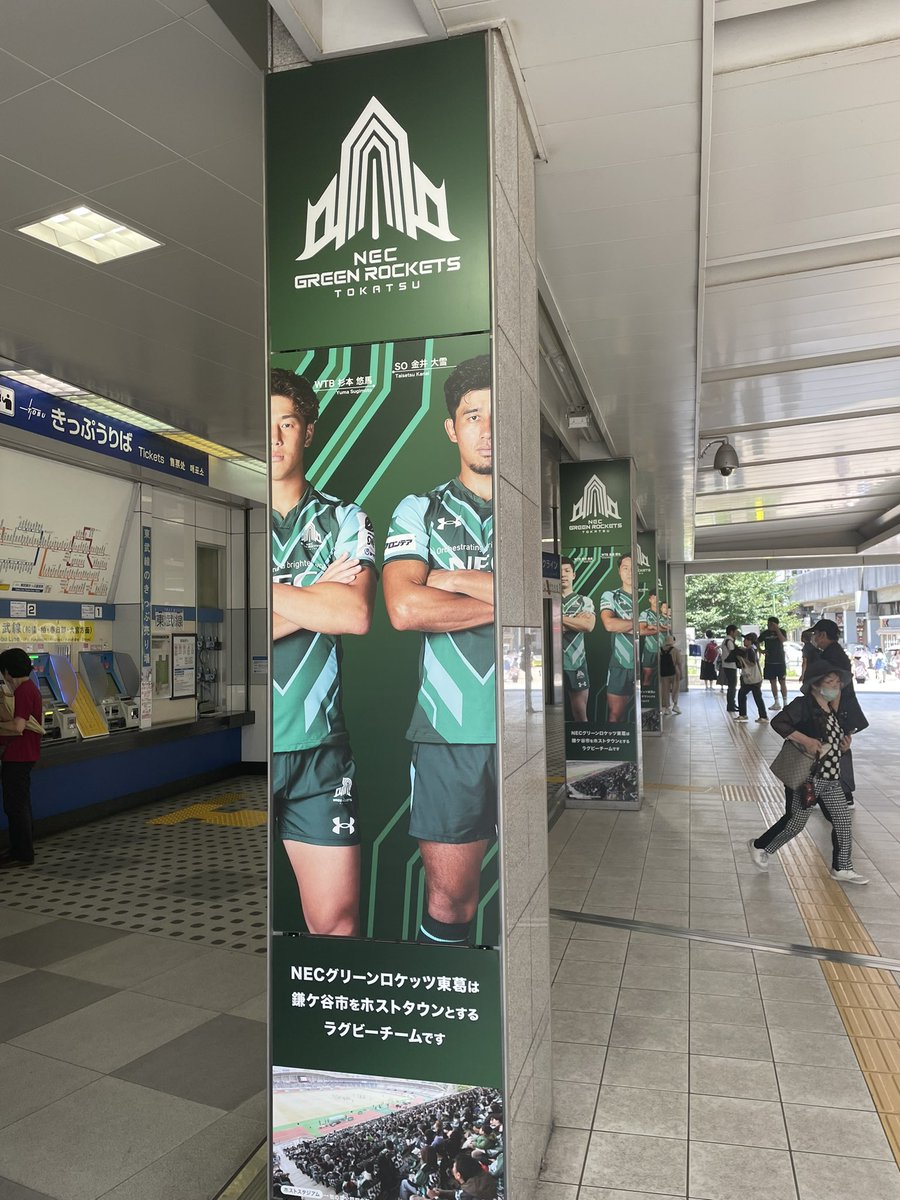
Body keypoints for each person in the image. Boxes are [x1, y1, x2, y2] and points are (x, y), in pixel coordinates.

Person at [383, 355, 495, 949]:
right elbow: (404, 609)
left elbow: (556, 612)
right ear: (452, 428)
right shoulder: (417, 509)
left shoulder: (534, 517)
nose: (486, 429)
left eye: (496, 416)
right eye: (472, 416)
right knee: (451, 899)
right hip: (448, 733)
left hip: (528, 726)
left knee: (530, 886)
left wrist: (448, 579)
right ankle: (447, 1019)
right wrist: (510, 596)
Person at [270, 368, 377, 936]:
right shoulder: (229, 516)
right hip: (244, 748)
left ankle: (330, 1023)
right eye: (264, 428)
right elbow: (225, 633)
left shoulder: (346, 517)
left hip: (320, 751)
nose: (276, 440)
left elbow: (353, 615)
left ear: (307, 430)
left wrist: (258, 596)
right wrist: (315, 592)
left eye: (286, 424)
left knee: (337, 925)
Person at [748, 659, 868, 884]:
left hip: (831, 777)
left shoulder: (833, 708)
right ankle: (760, 846)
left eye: (837, 682)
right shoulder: (803, 705)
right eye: (829, 682)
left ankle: (842, 867)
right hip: (808, 777)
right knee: (795, 823)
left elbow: (833, 739)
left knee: (842, 821)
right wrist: (805, 740)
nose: (835, 686)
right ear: (815, 684)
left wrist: (844, 745)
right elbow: (779, 723)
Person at [0, 647, 43, 867]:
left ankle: (22, 852)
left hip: (19, 756)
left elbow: (18, 727)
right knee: (20, 803)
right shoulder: (30, 688)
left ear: (8, 671)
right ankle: (21, 848)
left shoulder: (24, 691)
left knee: (16, 805)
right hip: (23, 754)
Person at [599, 553, 635, 723]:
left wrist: (625, 625)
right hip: (619, 665)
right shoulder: (610, 595)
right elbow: (609, 625)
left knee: (643, 712)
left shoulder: (649, 598)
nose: (629, 572)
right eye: (624, 568)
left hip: (645, 662)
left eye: (632, 568)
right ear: (619, 572)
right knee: (615, 715)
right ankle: (615, 747)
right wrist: (639, 626)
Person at [560, 556, 595, 723]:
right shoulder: (546, 601)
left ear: (574, 575)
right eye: (559, 572)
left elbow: (588, 626)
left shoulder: (584, 601)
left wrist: (557, 618)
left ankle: (583, 748)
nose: (563, 575)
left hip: (576, 663)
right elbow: (545, 626)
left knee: (580, 715)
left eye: (567, 571)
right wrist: (574, 621)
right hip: (552, 665)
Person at [424, 1153, 497, 1199]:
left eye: (453, 1168)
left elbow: (462, 1195)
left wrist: (435, 1198)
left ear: (458, 1175)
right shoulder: (486, 1176)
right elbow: (459, 1194)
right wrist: (441, 1192)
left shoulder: (469, 1194)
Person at [734, 632, 768, 722]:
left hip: (752, 678)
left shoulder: (750, 650)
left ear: (750, 641)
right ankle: (762, 716)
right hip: (755, 678)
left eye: (745, 639)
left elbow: (752, 663)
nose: (744, 641)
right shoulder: (752, 649)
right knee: (756, 696)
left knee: (743, 694)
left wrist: (742, 659)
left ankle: (744, 714)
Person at [760, 615, 788, 710]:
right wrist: (761, 650)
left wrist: (777, 629)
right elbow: (756, 642)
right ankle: (776, 702)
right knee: (772, 682)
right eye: (768, 624)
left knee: (782, 682)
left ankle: (785, 702)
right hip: (769, 662)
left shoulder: (782, 631)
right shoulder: (765, 633)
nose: (769, 625)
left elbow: (783, 640)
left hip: (780, 661)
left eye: (771, 624)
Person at [639, 590, 661, 690]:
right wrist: (658, 630)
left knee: (664, 677)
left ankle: (663, 699)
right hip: (649, 650)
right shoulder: (645, 614)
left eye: (657, 598)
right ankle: (648, 698)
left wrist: (653, 627)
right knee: (647, 675)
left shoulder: (664, 613)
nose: (655, 600)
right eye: (653, 598)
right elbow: (642, 631)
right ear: (649, 599)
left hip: (664, 650)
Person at [659, 634, 682, 715]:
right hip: (674, 672)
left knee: (664, 690)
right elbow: (679, 663)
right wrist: (681, 673)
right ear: (673, 641)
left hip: (664, 673)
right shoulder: (675, 650)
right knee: (675, 689)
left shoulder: (660, 650)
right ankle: (675, 705)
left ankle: (665, 707)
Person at [721, 624, 740, 713]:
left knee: (732, 686)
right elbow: (733, 652)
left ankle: (732, 704)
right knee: (732, 686)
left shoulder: (727, 640)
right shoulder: (729, 641)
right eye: (735, 631)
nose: (736, 633)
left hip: (727, 665)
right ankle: (731, 705)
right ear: (731, 631)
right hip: (730, 666)